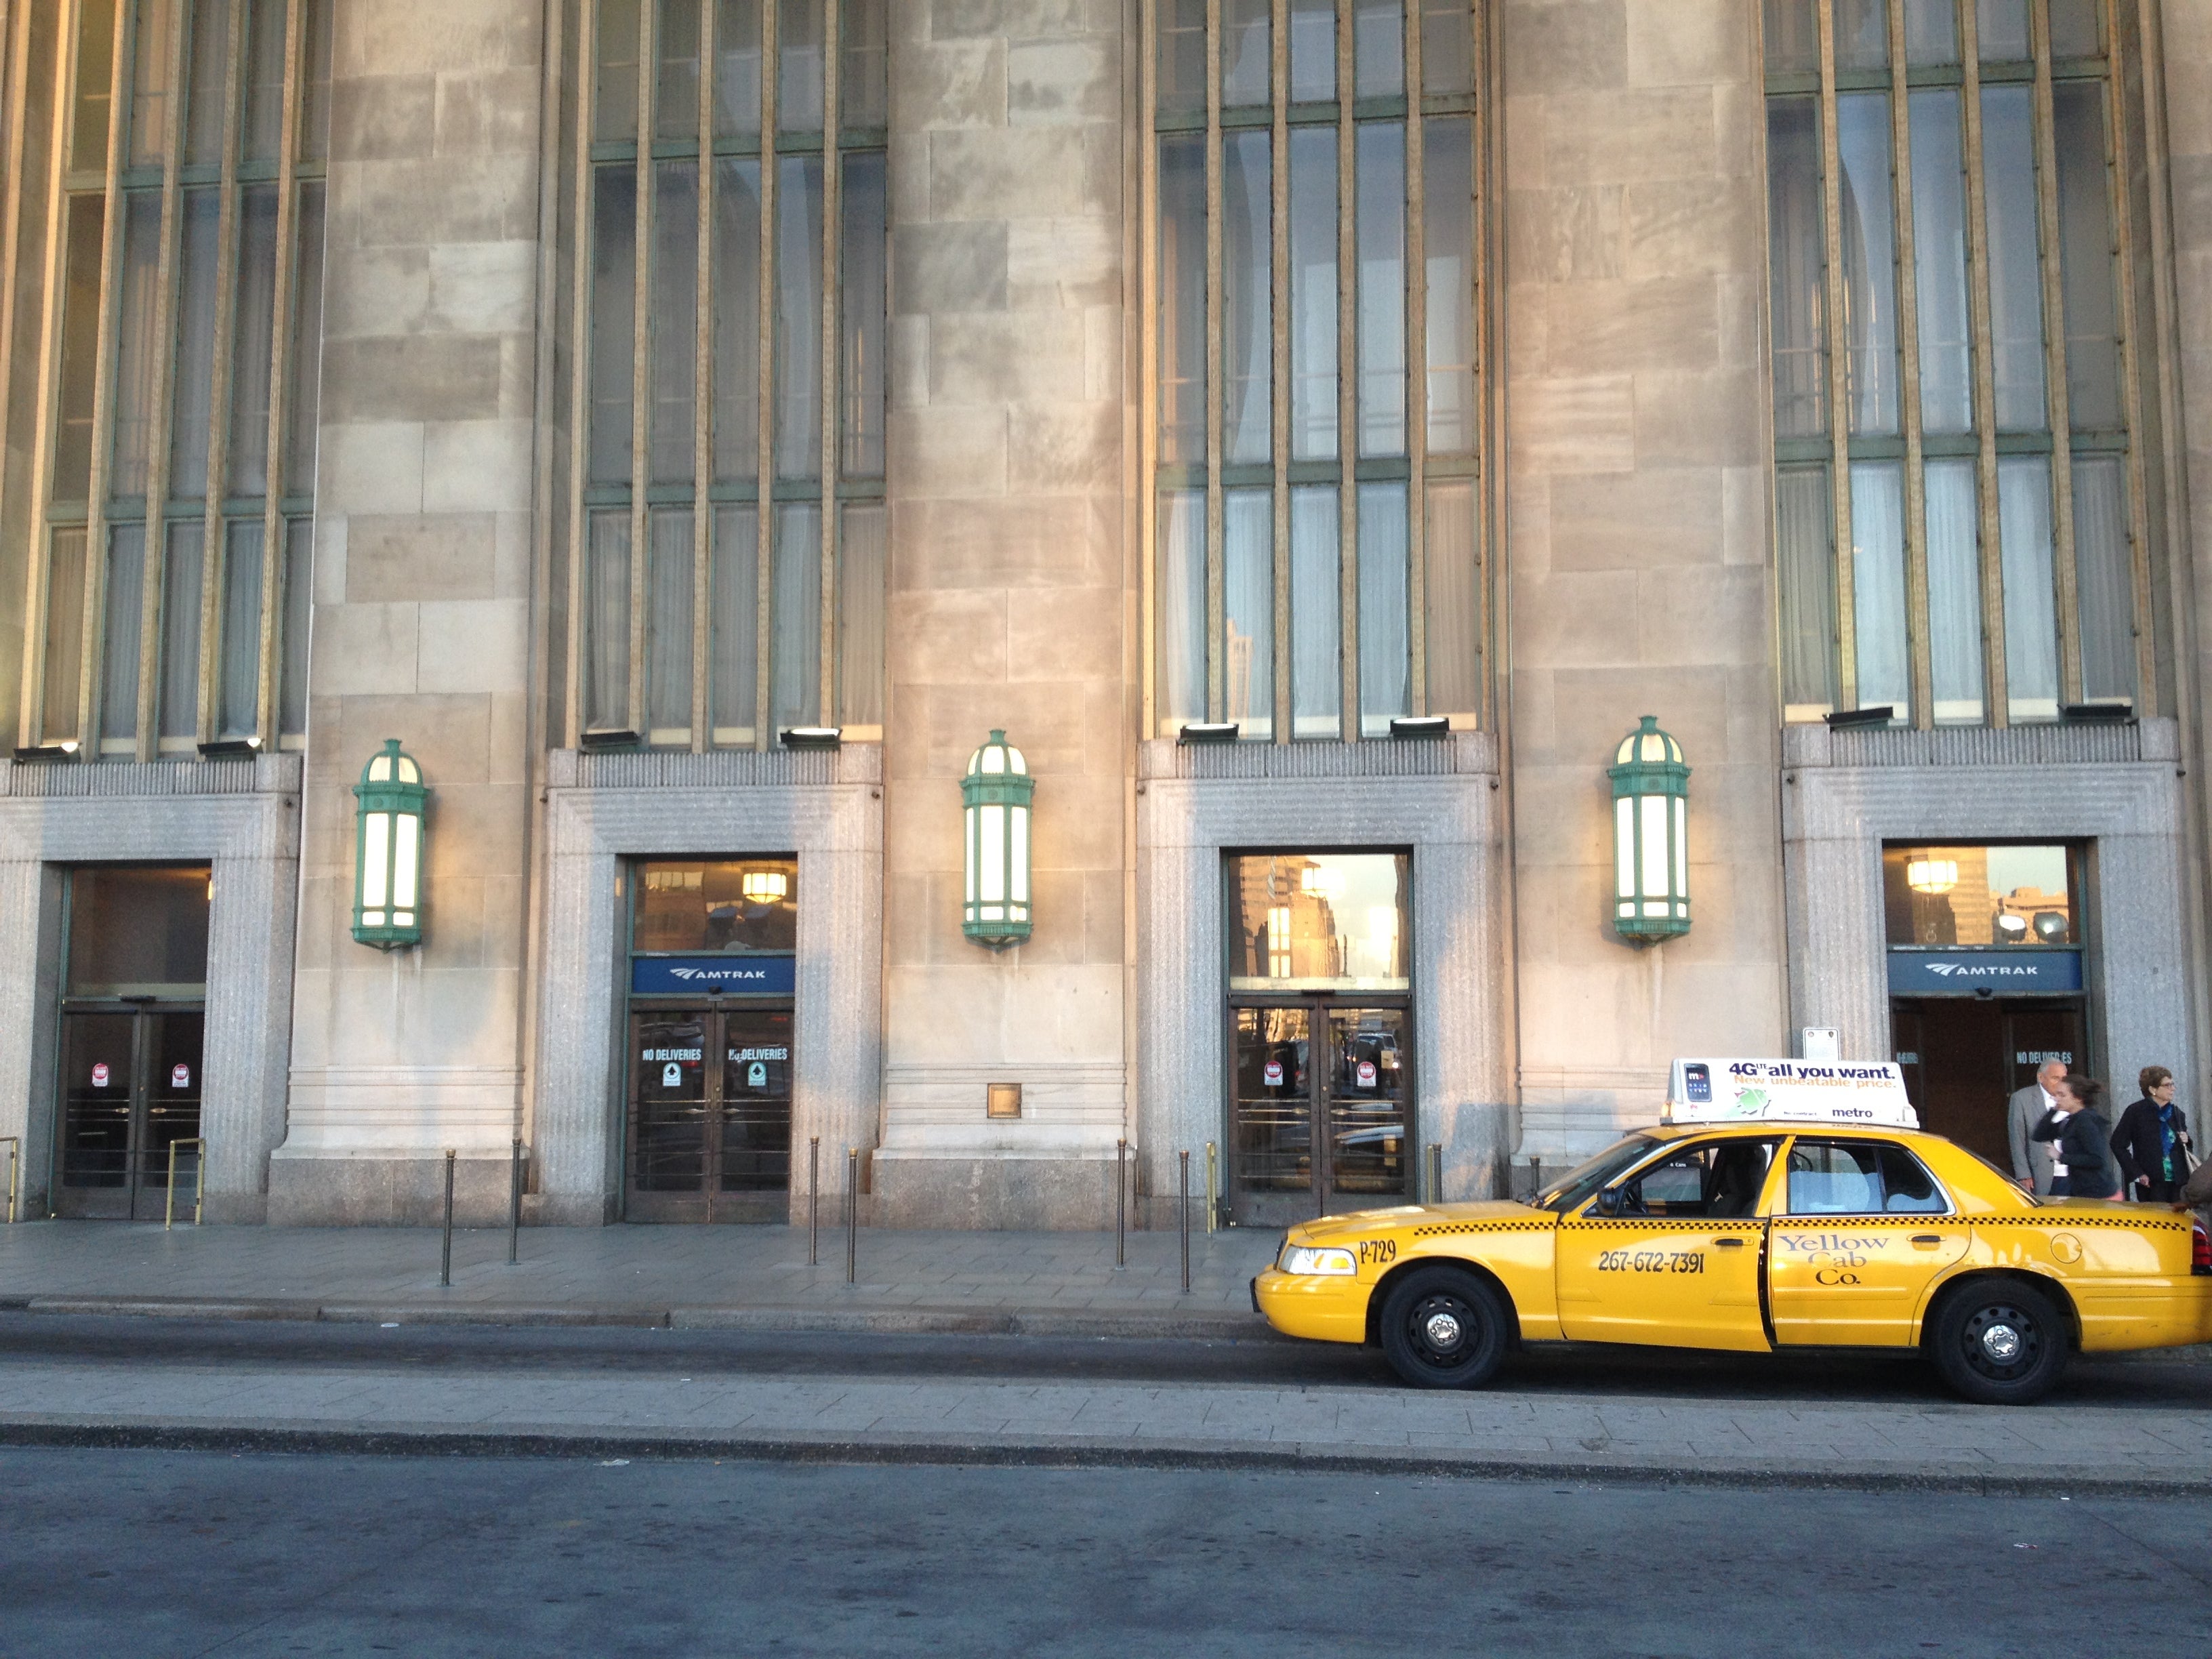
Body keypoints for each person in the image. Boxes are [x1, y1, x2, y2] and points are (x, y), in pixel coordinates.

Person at [2112, 1067, 2196, 1203]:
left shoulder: (2177, 1113)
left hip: (2179, 1182)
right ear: (2153, 1090)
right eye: (2167, 1085)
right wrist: (2137, 1174)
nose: (2172, 1089)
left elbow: (2184, 1148)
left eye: (2172, 1084)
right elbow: (2117, 1144)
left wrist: (2187, 1140)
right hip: (2152, 1182)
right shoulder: (2136, 1112)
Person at [2032, 1075, 2121, 1200]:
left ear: (2078, 1098)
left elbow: (2097, 1159)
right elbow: (2039, 1135)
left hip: (2098, 1194)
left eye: (2062, 1095)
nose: (2057, 1098)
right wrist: (2053, 1110)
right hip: (2081, 1190)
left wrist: (2060, 1156)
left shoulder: (2085, 1120)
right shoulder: (2071, 1120)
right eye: (2056, 1094)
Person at [2007, 1059, 2066, 1195]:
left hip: (2071, 1174)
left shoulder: (2071, 1097)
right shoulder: (2022, 1098)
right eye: (2055, 1078)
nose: (2060, 1083)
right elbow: (2017, 1138)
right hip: (2040, 1174)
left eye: (2064, 1078)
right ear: (2041, 1077)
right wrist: (2023, 1174)